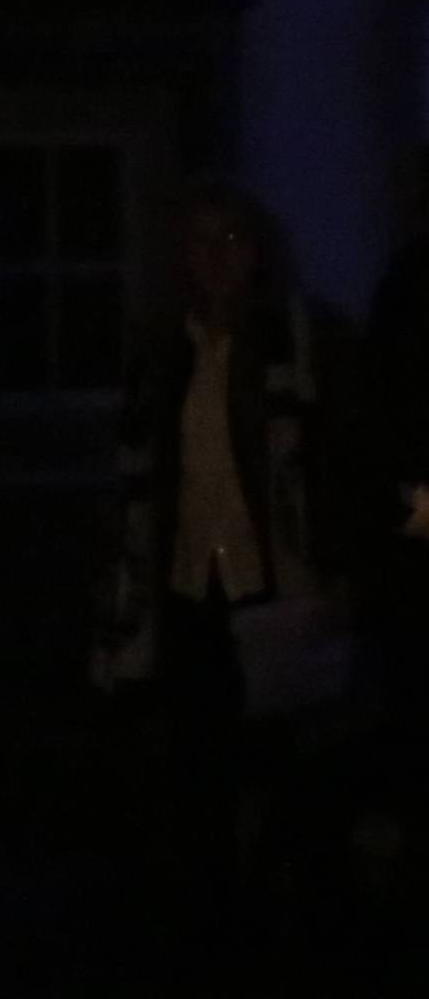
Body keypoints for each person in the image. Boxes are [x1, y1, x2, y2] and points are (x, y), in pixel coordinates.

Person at [98, 182, 352, 958]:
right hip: (189, 589)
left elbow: (342, 460)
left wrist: (338, 567)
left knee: (291, 771)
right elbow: (140, 481)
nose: (218, 258)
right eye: (201, 241)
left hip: (275, 587)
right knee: (197, 769)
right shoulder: (160, 353)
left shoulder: (301, 345)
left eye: (233, 241)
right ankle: (216, 929)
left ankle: (299, 927)